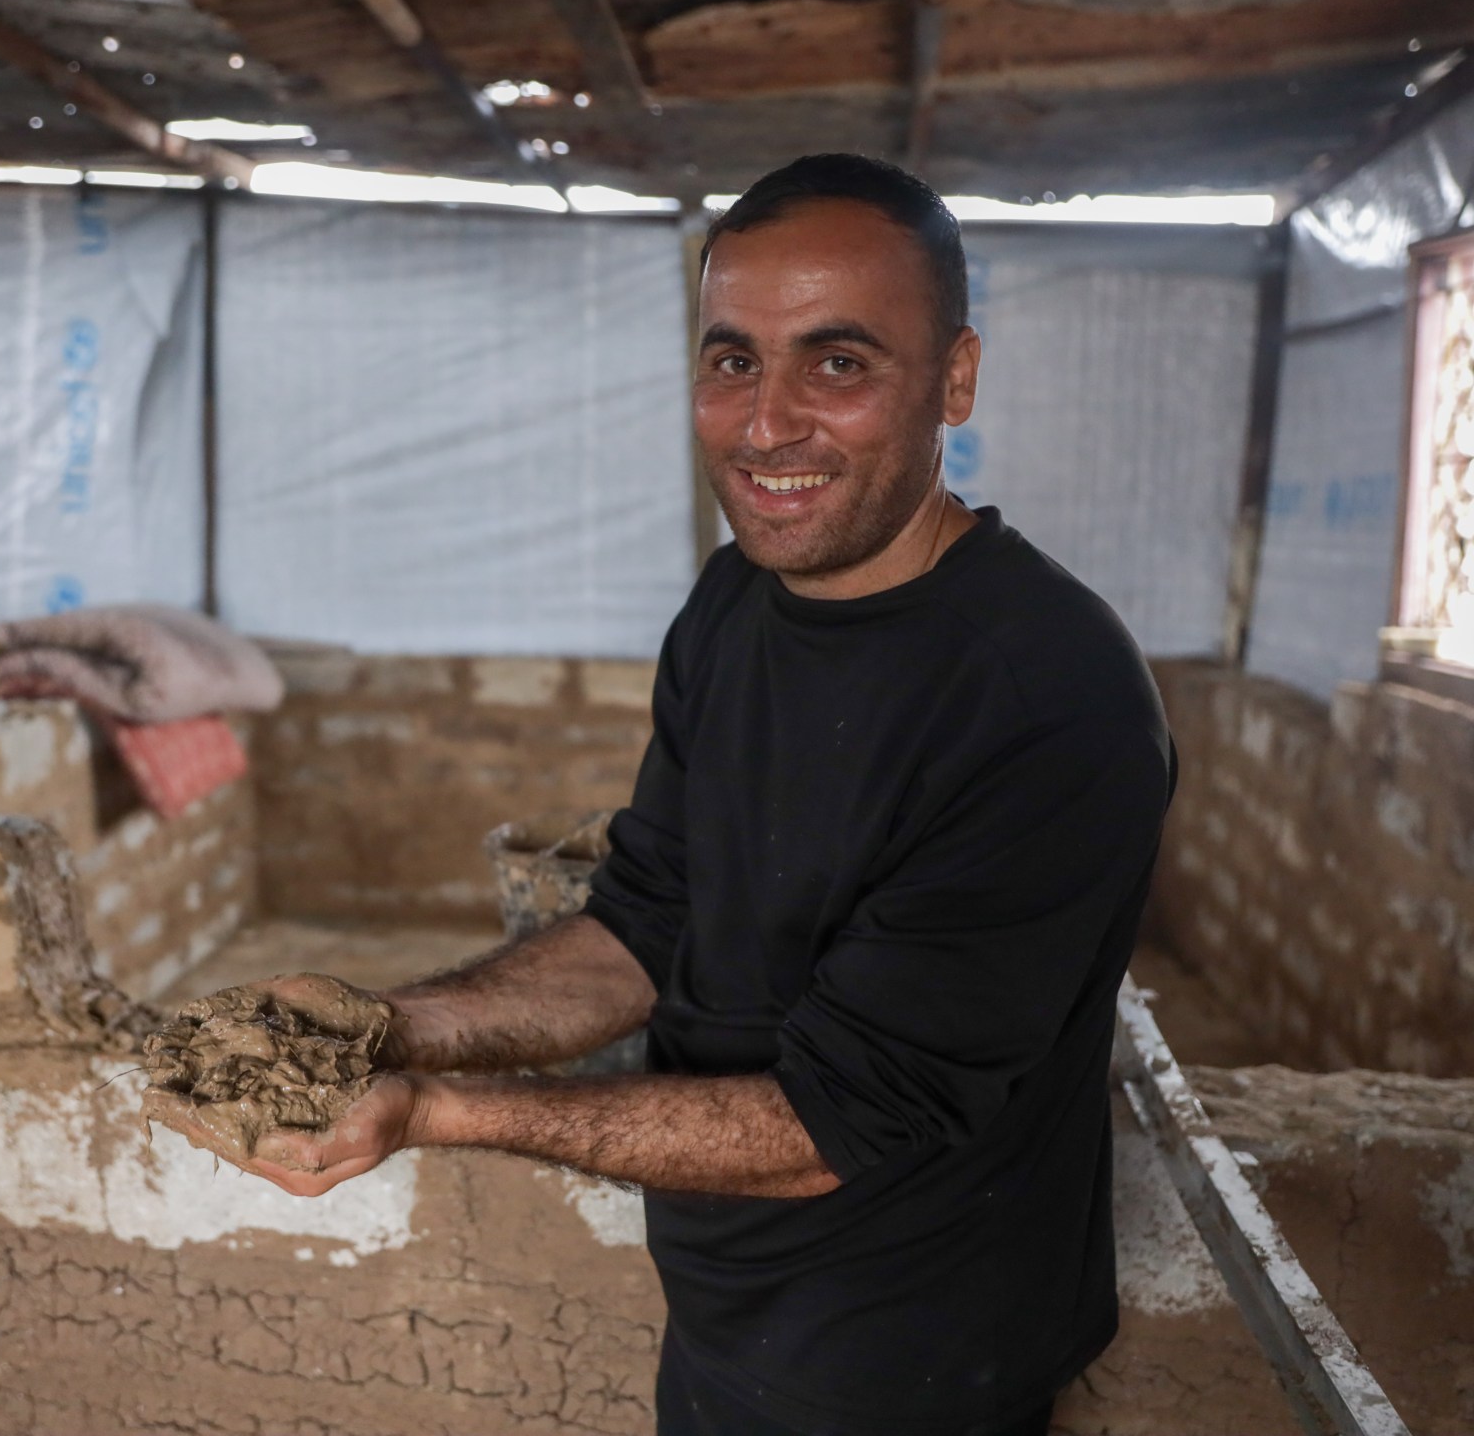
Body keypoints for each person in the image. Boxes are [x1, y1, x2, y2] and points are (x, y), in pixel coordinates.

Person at [158, 153, 1176, 1436]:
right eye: (733, 359)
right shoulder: (734, 603)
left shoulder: (1046, 700)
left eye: (839, 362)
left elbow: (835, 1125)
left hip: (913, 1374)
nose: (768, 423)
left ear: (955, 379)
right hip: (726, 1323)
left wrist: (435, 1111)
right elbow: (648, 920)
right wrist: (380, 1026)